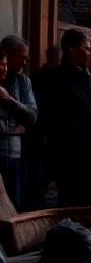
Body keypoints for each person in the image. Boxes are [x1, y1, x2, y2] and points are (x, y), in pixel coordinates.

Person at [49, 28, 91, 207]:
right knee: (76, 212)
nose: (89, 53)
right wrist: (90, 141)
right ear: (72, 50)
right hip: (75, 163)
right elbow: (63, 120)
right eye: (86, 48)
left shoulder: (90, 78)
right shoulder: (59, 80)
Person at [0, 35, 37, 211]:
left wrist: (9, 100)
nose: (25, 61)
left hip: (16, 155)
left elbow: (31, 116)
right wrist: (14, 129)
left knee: (15, 206)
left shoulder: (23, 81)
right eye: (21, 56)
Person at [25, 44, 61, 209]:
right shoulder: (42, 78)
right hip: (42, 134)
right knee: (41, 178)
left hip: (50, 134)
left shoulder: (48, 77)